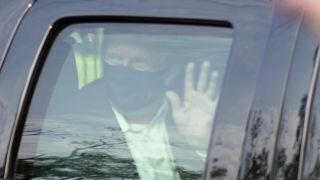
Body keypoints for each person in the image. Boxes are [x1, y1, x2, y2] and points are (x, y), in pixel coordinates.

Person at [68, 34, 220, 179]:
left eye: (139, 63)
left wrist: (201, 147)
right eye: (114, 59)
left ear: (170, 73)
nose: (124, 73)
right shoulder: (75, 123)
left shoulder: (192, 118)